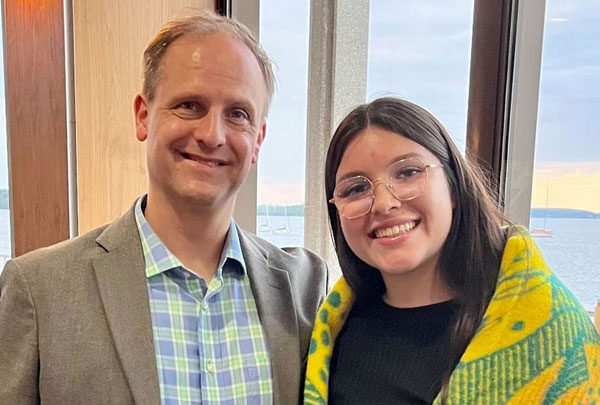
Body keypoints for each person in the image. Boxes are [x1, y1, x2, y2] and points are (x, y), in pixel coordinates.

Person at [0, 10, 328, 404]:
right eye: (190, 105)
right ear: (143, 115)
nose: (211, 134)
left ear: (258, 139)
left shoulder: (302, 287)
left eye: (237, 114)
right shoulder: (40, 290)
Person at [303, 97, 599, 404]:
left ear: (454, 186)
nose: (383, 203)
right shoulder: (333, 330)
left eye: (407, 172)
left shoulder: (552, 333)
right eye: (356, 189)